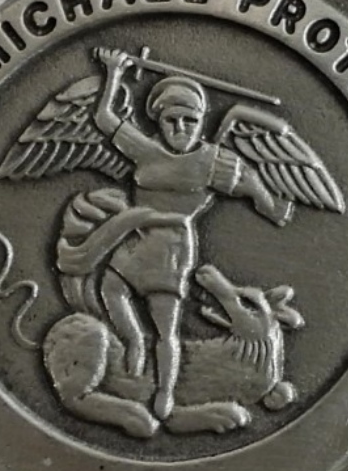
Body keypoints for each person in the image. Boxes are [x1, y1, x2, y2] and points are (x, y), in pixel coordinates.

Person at [86, 47, 292, 421]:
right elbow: (104, 118)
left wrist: (270, 203)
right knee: (111, 287)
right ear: (159, 121)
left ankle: (165, 391)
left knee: (165, 327)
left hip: (172, 250)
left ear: (200, 121)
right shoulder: (146, 151)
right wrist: (113, 72)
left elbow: (253, 187)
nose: (180, 127)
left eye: (190, 120)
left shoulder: (215, 162)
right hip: (137, 241)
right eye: (171, 120)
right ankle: (133, 340)